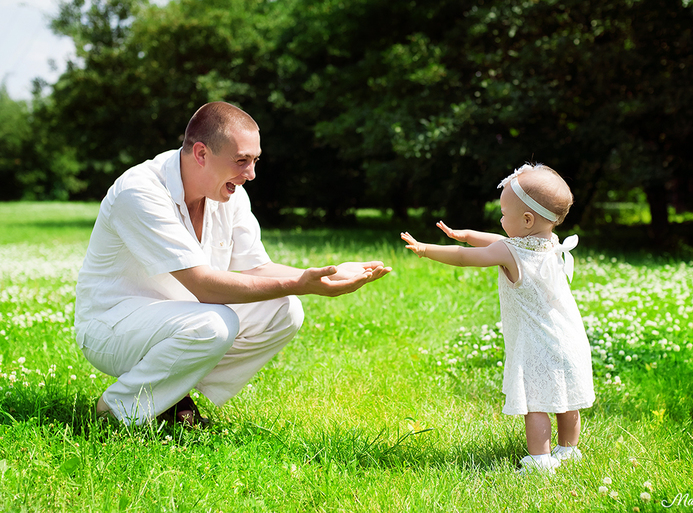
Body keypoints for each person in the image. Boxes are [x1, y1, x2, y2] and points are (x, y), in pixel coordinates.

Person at [75, 101, 390, 427]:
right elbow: (203, 285)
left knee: (284, 311)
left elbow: (258, 268)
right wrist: (301, 283)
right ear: (201, 154)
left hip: (180, 319)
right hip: (111, 329)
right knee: (215, 322)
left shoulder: (230, 192)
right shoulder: (140, 191)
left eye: (254, 161)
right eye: (241, 161)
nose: (251, 174)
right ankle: (116, 410)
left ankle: (168, 393)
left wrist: (332, 273)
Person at [400, 163, 594, 475]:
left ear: (527, 219)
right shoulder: (549, 242)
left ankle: (540, 462)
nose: (501, 219)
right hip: (569, 338)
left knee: (537, 402)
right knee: (566, 397)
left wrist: (426, 249)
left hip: (538, 343)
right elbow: (499, 241)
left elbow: (468, 258)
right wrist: (466, 235)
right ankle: (568, 451)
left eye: (505, 213)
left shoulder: (511, 251)